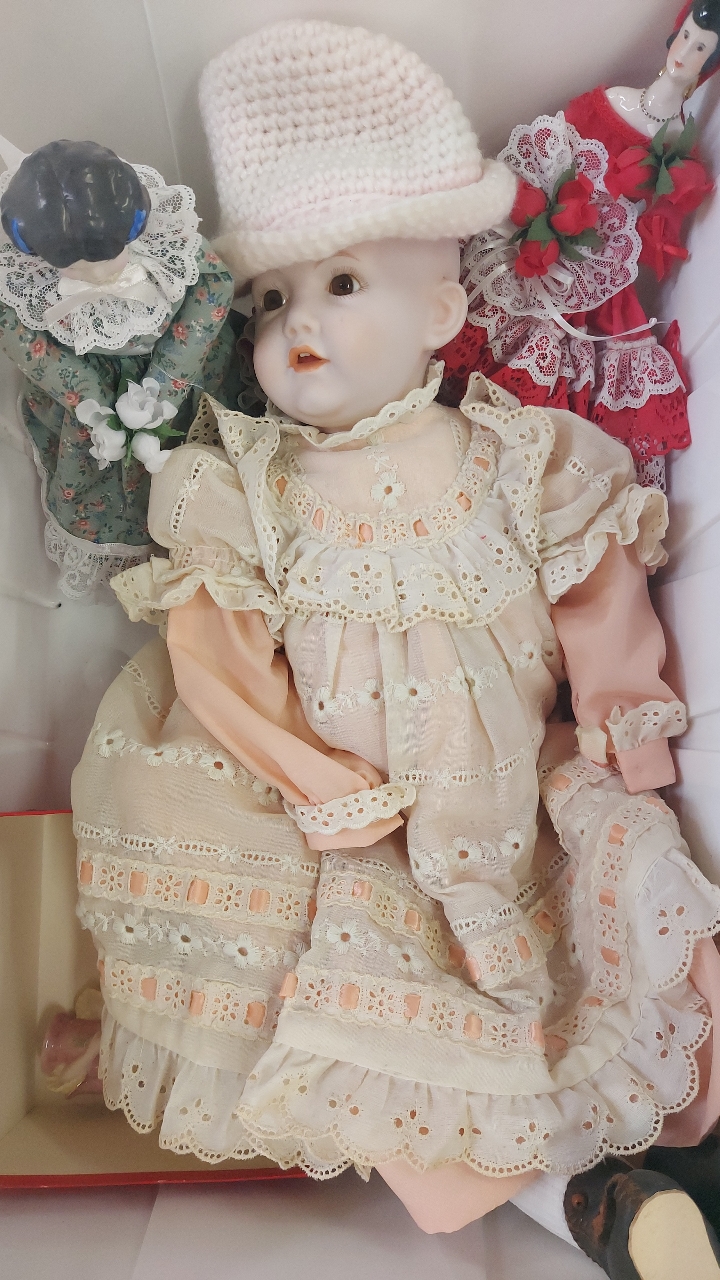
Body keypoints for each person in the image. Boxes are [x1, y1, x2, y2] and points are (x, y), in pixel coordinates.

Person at [72, 22, 720, 1278]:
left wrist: (624, 725)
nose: (294, 324)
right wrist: (323, 785)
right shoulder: (245, 486)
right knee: (371, 1026)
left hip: (510, 798)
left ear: (444, 309)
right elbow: (218, 660)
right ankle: (591, 1205)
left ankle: (629, 1177)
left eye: (340, 285)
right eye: (272, 300)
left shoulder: (521, 455)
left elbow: (598, 593)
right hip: (352, 831)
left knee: (630, 913)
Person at [439, 0, 719, 492]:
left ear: (710, 64)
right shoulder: (614, 101)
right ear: (673, 35)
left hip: (601, 273)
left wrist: (641, 234)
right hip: (548, 228)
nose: (686, 52)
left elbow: (654, 229)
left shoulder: (679, 145)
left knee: (583, 364)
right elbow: (556, 152)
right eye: (686, 38)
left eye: (701, 49)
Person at [0, 138, 238, 595]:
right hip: (95, 390)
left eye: (110, 257)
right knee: (104, 468)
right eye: (76, 268)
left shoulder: (169, 244)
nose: (97, 275)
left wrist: (165, 385)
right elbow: (25, 341)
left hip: (181, 375)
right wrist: (93, 401)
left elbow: (212, 290)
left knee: (195, 451)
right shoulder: (23, 282)